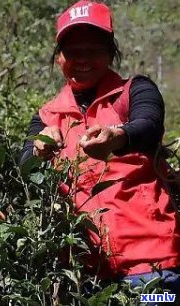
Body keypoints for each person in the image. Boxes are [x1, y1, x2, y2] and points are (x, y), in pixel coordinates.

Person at [19, 0, 180, 291]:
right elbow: (24, 164)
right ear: (59, 58)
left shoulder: (134, 91)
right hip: (86, 275)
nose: (83, 59)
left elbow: (149, 126)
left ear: (110, 53)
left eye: (93, 50)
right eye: (73, 52)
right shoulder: (47, 115)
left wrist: (116, 137)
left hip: (153, 267)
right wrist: (40, 149)